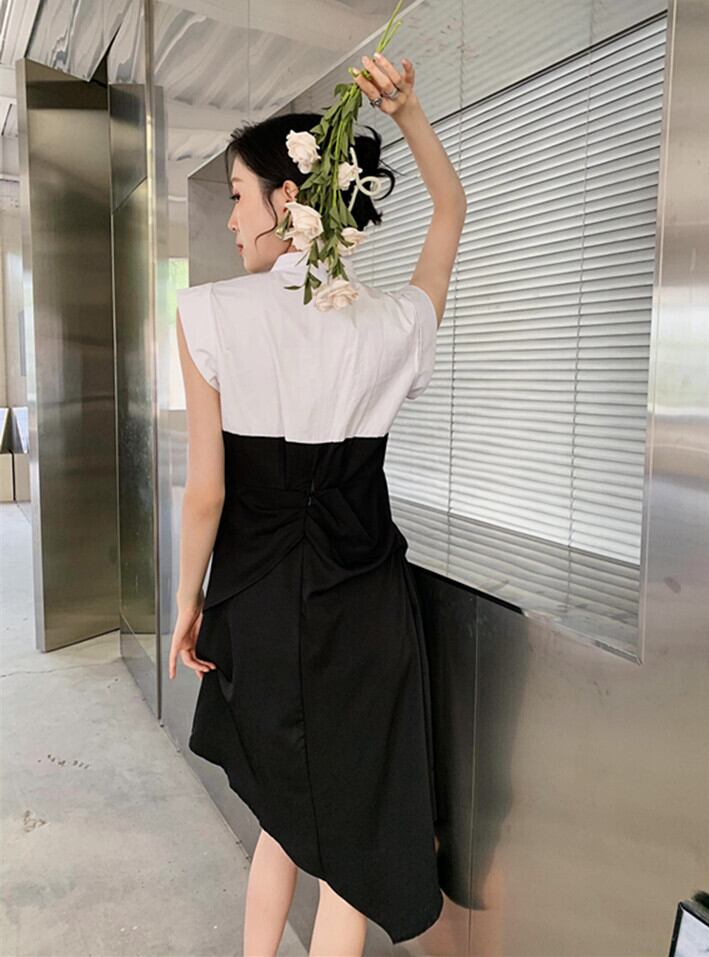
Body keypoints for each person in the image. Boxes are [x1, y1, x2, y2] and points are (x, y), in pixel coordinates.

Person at [169, 49, 466, 957]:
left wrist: (187, 603)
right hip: (366, 605)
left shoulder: (207, 313)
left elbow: (209, 490)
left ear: (288, 198)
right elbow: (451, 212)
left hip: (259, 605)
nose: (231, 216)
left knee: (282, 816)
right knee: (350, 842)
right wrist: (409, 115)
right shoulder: (390, 321)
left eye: (238, 195)